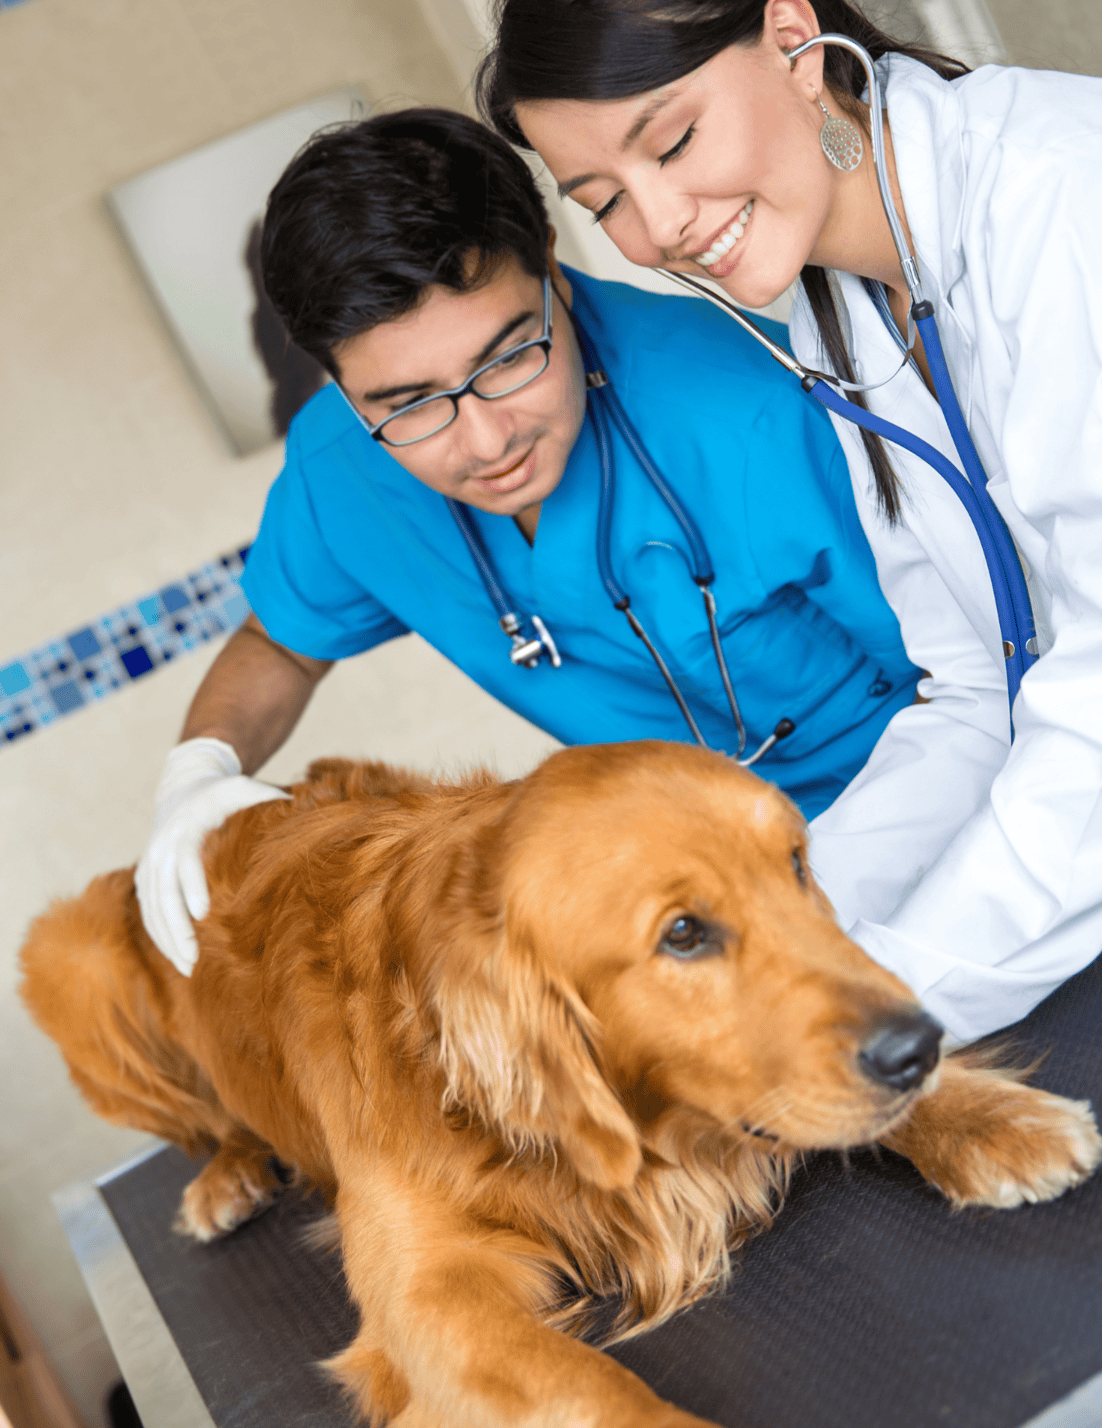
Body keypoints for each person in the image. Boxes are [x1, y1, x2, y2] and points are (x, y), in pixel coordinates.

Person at [477, 0, 1102, 1043]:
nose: (659, 227)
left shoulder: (1072, 188)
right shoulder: (837, 315)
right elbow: (975, 690)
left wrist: (870, 1011)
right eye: (604, 199)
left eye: (673, 140)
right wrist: (781, 957)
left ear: (792, 42)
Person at [135, 106, 920, 974]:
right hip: (686, 907)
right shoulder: (338, 471)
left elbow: (980, 677)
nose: (484, 442)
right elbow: (281, 642)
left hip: (917, 840)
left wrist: (844, 900)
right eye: (406, 404)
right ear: (338, 383)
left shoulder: (752, 414)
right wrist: (200, 772)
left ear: (552, 262)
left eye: (510, 358)